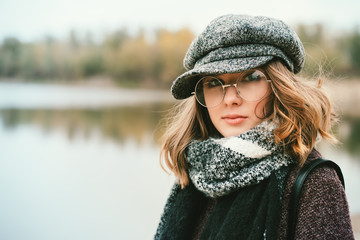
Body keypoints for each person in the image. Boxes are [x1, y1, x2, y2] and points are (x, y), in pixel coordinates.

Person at [154, 14, 354, 240]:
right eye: (213, 82)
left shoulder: (314, 184)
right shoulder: (196, 172)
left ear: (279, 87)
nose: (230, 99)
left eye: (250, 78)